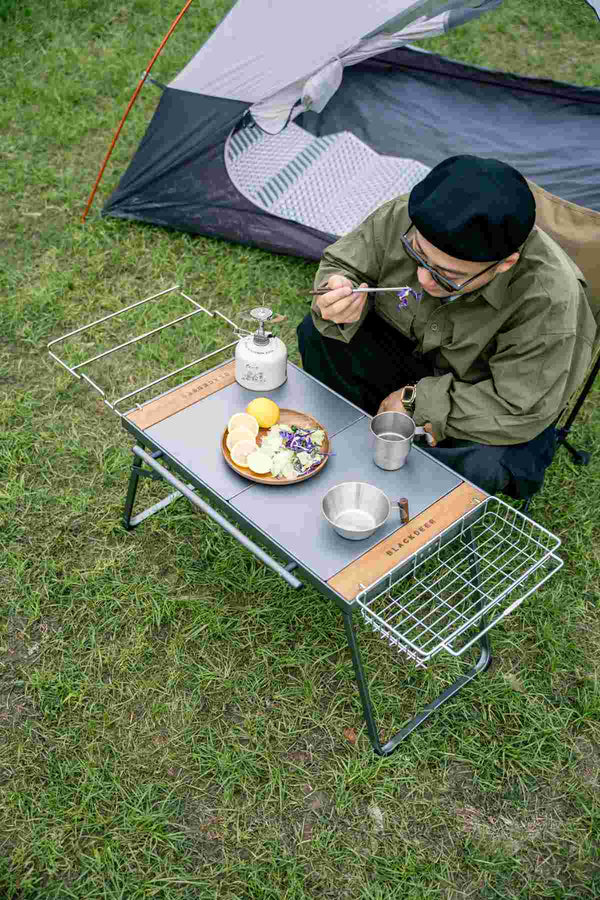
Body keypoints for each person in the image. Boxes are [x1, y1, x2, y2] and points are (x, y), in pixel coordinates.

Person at [297, 155, 596, 498]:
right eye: (418, 255)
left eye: (448, 275)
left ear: (504, 264)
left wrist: (417, 401)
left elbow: (519, 407)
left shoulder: (550, 301)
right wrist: (339, 288)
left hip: (487, 395)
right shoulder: (412, 215)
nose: (424, 280)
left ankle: (411, 493)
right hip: (411, 351)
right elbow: (346, 263)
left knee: (485, 463)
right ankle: (355, 442)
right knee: (320, 335)